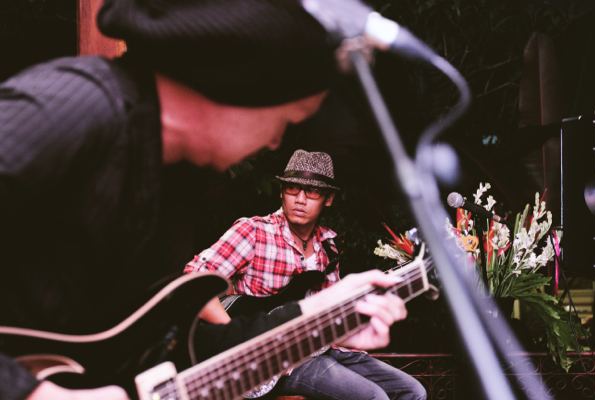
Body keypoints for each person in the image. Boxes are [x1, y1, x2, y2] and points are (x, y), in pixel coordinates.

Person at [0, 1, 411, 400]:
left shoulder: (173, 187)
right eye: (286, 120)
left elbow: (193, 349)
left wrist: (318, 319)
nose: (274, 141)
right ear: (236, 84)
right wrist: (32, 391)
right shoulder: (77, 106)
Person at [185, 150, 427, 400]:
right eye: (292, 188)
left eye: (312, 191)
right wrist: (240, 337)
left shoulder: (328, 246)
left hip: (323, 344)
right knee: (374, 398)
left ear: (329, 198)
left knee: (413, 391)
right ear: (282, 191)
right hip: (278, 359)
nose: (300, 199)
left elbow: (332, 308)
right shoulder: (254, 231)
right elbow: (192, 283)